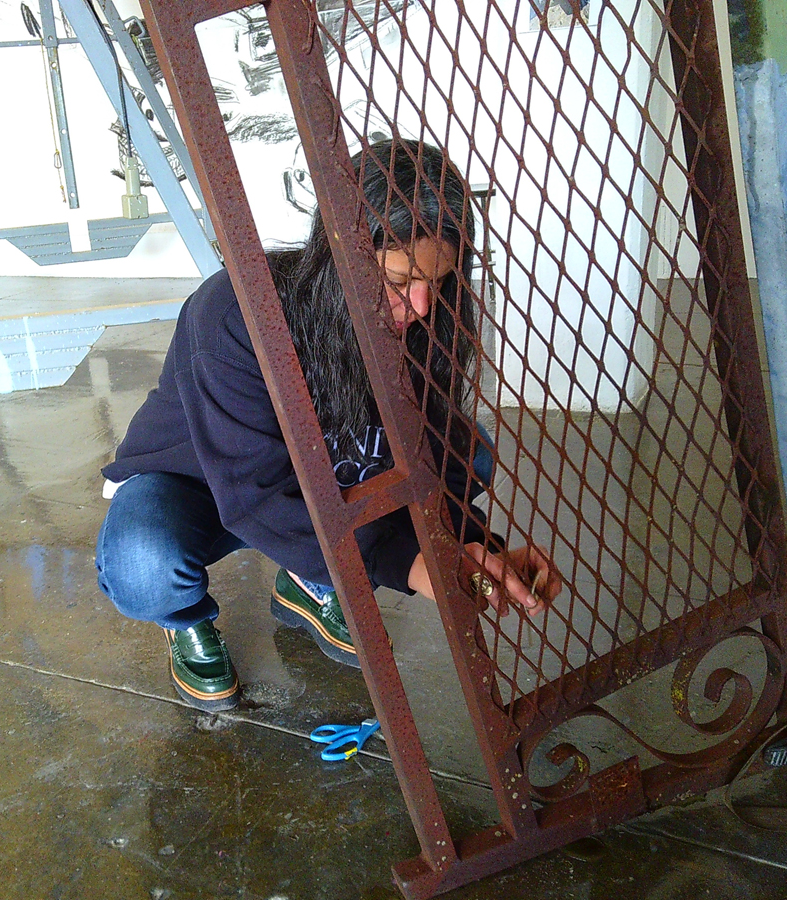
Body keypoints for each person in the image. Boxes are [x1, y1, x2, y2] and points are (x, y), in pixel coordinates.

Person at [95, 138, 561, 711]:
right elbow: (254, 495)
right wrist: (408, 564)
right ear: (339, 255)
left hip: (324, 472)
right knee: (143, 564)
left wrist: (470, 550)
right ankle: (187, 618)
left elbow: (429, 450)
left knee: (474, 453)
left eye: (436, 283)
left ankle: (308, 574)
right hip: (202, 485)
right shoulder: (235, 314)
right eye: (395, 281)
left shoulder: (423, 320)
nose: (418, 306)